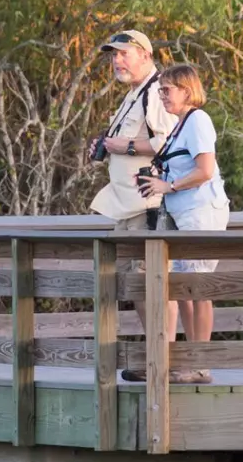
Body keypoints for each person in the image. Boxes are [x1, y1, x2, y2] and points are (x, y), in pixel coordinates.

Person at [131, 62, 229, 383]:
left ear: (187, 91)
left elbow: (205, 170)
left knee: (197, 288)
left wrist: (168, 186)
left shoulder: (198, 120)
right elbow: (182, 167)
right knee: (181, 288)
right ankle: (186, 362)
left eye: (167, 90)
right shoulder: (178, 125)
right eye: (160, 91)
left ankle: (200, 365)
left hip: (201, 215)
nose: (162, 96)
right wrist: (157, 178)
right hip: (180, 216)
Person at [88, 30, 177, 227]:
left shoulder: (156, 92)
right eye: (113, 55)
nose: (117, 61)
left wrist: (128, 146)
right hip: (126, 205)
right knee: (123, 258)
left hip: (147, 206)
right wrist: (105, 144)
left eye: (124, 54)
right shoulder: (135, 92)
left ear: (145, 55)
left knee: (143, 259)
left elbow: (169, 143)